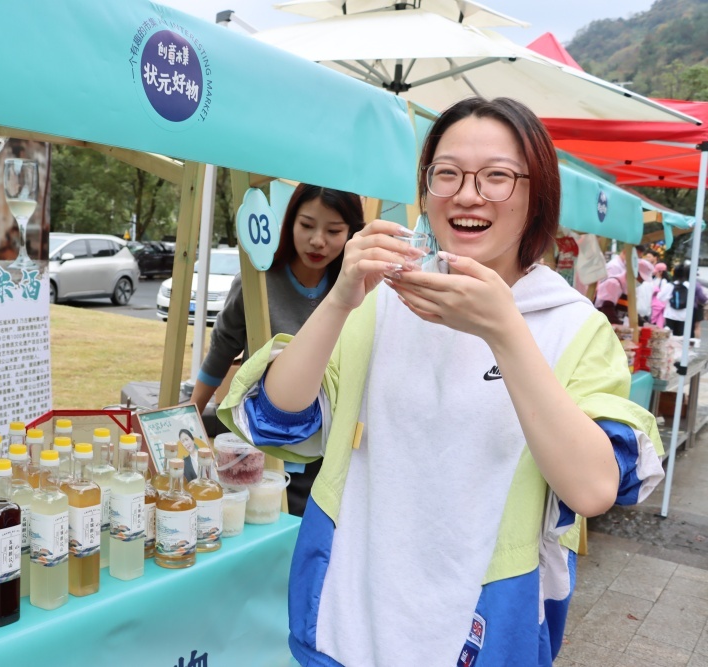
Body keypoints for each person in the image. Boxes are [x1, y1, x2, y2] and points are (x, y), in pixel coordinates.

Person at [217, 97, 664, 666]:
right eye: (446, 173)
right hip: (348, 609)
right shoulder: (381, 297)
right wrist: (337, 300)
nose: (468, 193)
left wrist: (504, 330)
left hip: (477, 624)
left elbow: (595, 490)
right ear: (425, 189)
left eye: (497, 176)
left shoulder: (574, 325)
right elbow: (275, 421)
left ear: (536, 196)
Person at [191, 183, 364, 516]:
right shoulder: (257, 283)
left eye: (334, 230)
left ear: (352, 233)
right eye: (307, 225)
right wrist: (190, 413)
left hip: (327, 453)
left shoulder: (361, 290)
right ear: (289, 223)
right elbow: (222, 350)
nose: (318, 240)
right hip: (258, 451)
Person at [656, 262, 707, 337]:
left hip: (670, 315)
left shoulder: (670, 285)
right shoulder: (689, 285)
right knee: (680, 338)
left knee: (668, 336)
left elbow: (660, 297)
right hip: (684, 316)